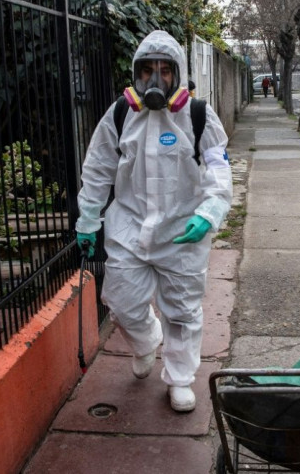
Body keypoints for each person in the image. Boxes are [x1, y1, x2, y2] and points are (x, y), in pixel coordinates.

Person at [75, 30, 232, 412]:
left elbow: (219, 170)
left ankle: (179, 380)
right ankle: (146, 342)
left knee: (182, 312)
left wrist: (209, 213)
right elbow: (98, 168)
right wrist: (88, 219)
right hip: (129, 226)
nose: (156, 81)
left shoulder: (197, 115)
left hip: (183, 231)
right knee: (122, 301)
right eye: (148, 71)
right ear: (136, 74)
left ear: (177, 76)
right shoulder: (120, 115)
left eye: (165, 71)